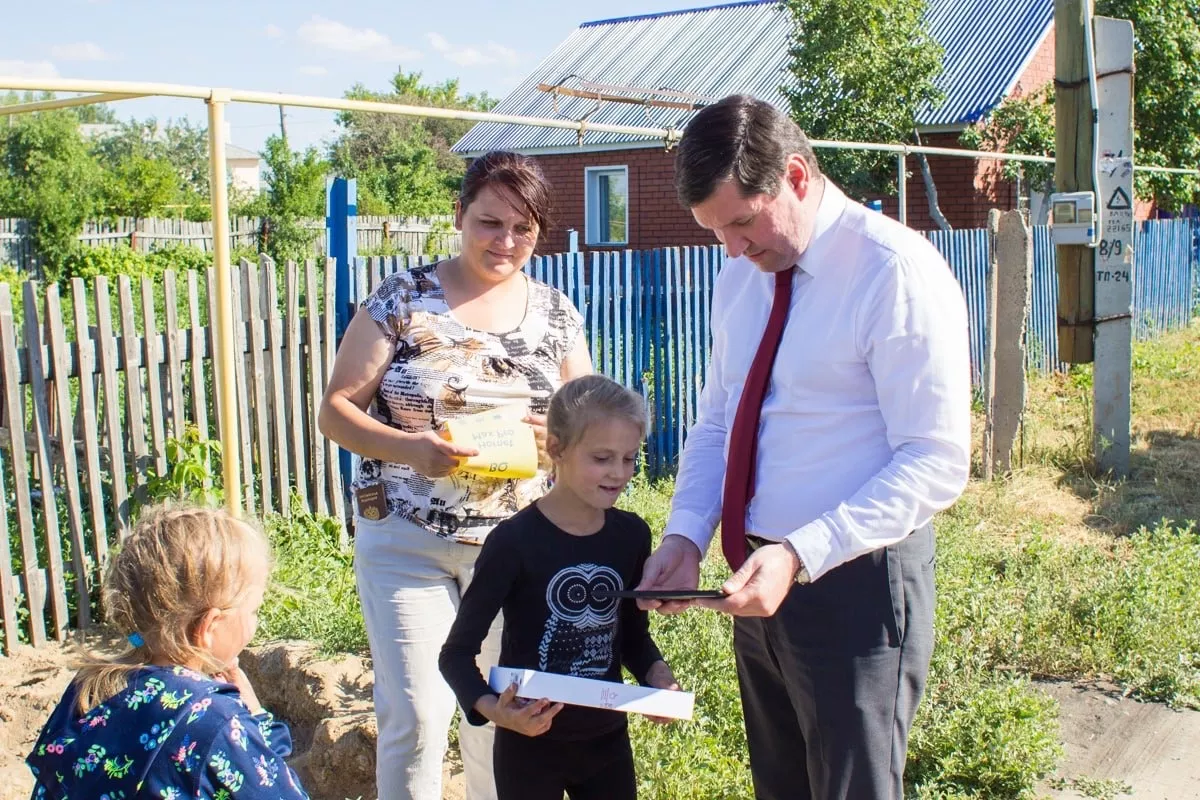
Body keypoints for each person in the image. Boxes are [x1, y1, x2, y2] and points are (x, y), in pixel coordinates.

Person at [635, 95, 972, 799]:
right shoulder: (743, 274)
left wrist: (800, 552)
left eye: (740, 222)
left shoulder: (893, 271)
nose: (732, 248)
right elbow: (719, 421)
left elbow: (935, 458)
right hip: (759, 580)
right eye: (714, 231)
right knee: (780, 785)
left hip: (854, 579)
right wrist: (687, 535)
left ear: (794, 176)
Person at [318, 150, 593, 800]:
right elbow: (336, 410)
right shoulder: (401, 299)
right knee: (417, 716)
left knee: (498, 717)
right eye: (490, 222)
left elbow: (587, 422)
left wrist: (559, 442)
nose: (506, 241)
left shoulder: (556, 314)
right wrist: (409, 448)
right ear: (459, 215)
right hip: (406, 540)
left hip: (516, 552)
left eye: (523, 229)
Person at [438, 374, 680, 800]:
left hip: (607, 744)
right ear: (556, 449)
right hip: (528, 749)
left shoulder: (631, 535)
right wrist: (496, 710)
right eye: (602, 458)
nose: (619, 473)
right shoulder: (512, 542)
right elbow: (455, 655)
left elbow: (631, 637)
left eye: (629, 458)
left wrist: (655, 674)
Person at [26, 503, 308, 799]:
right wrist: (256, 718)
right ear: (209, 625)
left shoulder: (88, 689)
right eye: (253, 611)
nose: (255, 622)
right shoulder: (216, 720)